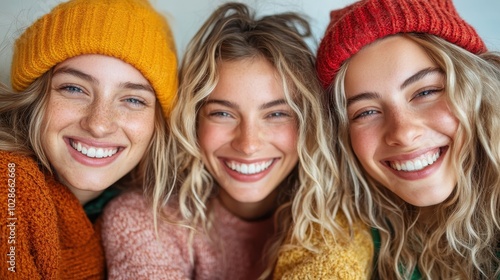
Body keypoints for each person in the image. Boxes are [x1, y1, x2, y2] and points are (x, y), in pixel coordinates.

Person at [101, 2, 373, 279]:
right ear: (194, 120)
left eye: (276, 114)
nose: (248, 144)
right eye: (222, 113)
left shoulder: (341, 224)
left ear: (309, 123)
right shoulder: (145, 219)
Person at [309, 0, 500, 278]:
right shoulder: (350, 235)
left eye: (425, 92)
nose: (403, 133)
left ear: (479, 92)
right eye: (366, 112)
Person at [0, 0, 177, 278]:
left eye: (132, 99)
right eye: (74, 88)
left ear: (158, 124)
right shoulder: (9, 185)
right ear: (34, 100)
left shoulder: (145, 215)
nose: (98, 125)